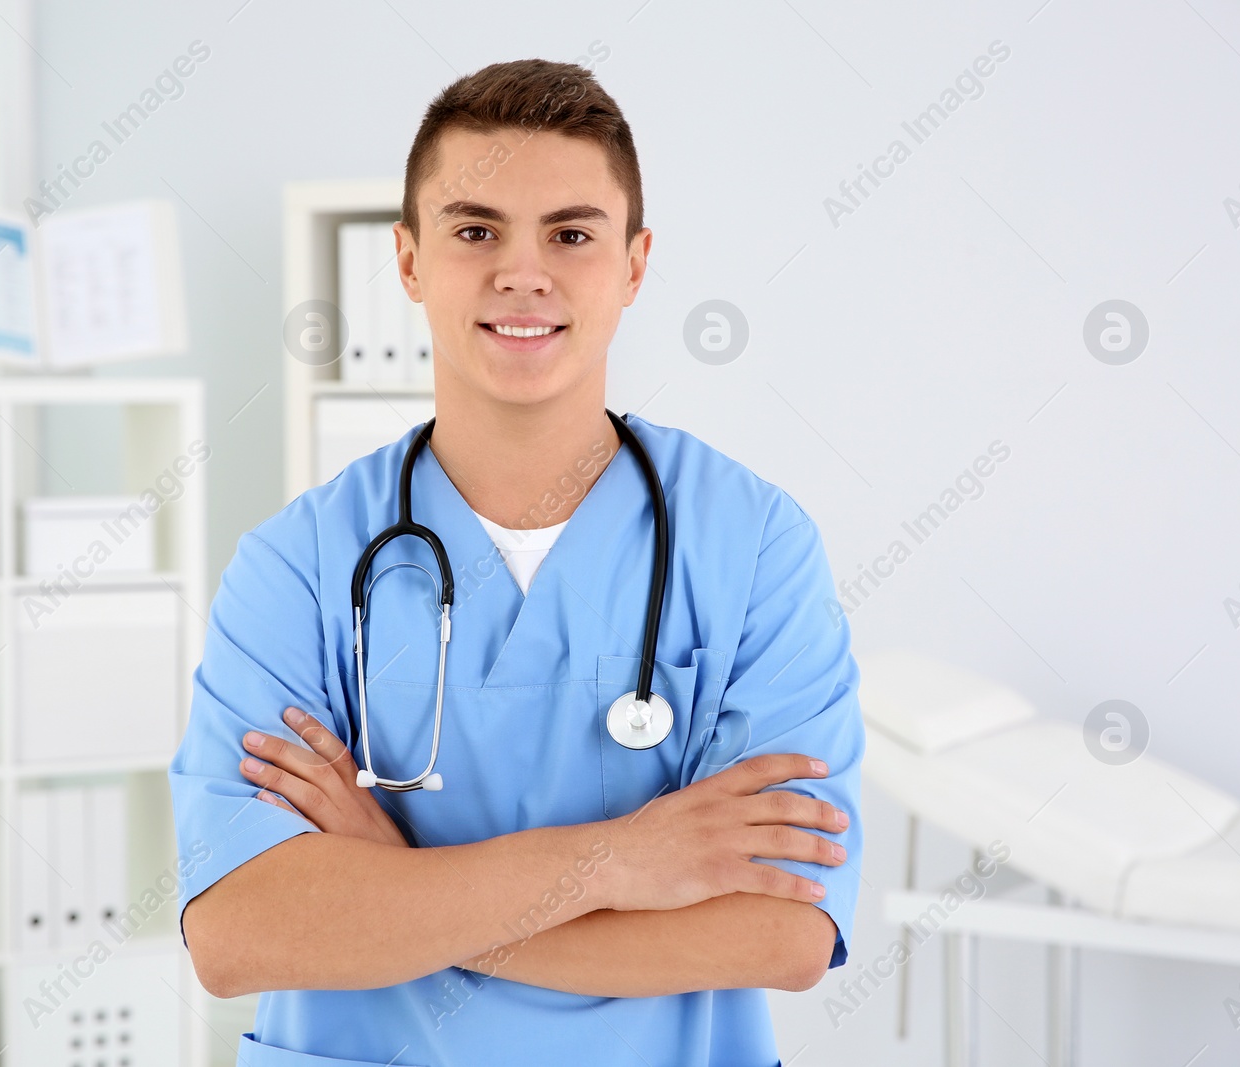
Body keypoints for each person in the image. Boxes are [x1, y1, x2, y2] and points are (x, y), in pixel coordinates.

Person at [169, 57, 864, 1067]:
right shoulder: (299, 563)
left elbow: (782, 932)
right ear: (408, 260)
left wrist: (394, 884)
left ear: (633, 264)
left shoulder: (752, 545)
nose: (522, 272)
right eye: (474, 229)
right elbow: (238, 932)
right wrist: (622, 858)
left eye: (572, 234)